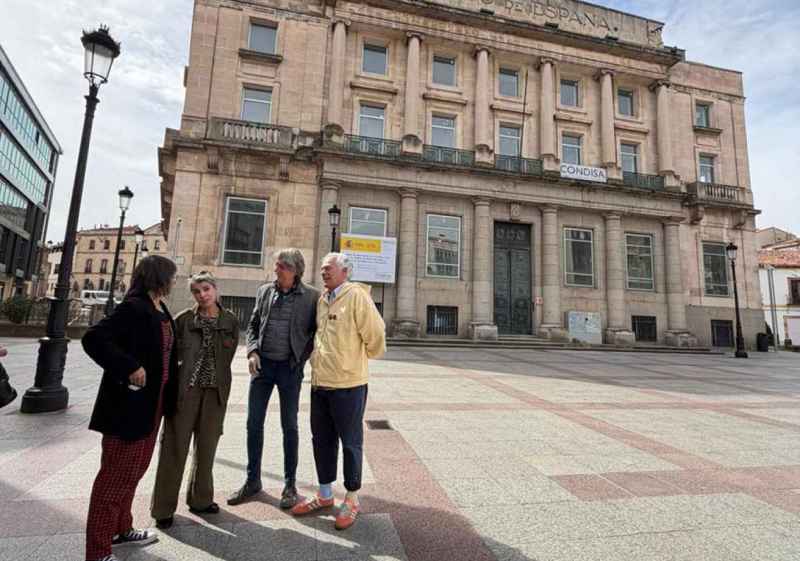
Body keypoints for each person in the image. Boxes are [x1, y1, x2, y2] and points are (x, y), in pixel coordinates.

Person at [81, 255, 179, 561]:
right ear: (159, 277)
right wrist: (129, 367)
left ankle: (122, 529)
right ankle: (98, 553)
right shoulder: (134, 306)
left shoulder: (158, 307)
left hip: (152, 404)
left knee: (133, 472)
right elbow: (93, 338)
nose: (174, 282)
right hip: (128, 406)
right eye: (171, 276)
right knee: (113, 480)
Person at [291, 252, 385, 531]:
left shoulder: (357, 296)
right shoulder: (323, 299)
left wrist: (355, 359)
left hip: (349, 384)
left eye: (328, 268)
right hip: (320, 383)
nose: (323, 272)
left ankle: (352, 499)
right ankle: (324, 494)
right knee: (322, 439)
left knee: (351, 442)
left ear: (345, 271)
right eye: (321, 268)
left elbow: (376, 334)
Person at [227, 249, 319, 509]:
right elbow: (254, 324)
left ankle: (290, 485)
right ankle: (252, 479)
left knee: (289, 425)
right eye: (277, 265)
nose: (276, 270)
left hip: (289, 369)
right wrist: (252, 351)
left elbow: (316, 332)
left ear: (295, 271)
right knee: (253, 423)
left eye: (282, 267)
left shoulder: (311, 297)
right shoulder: (265, 290)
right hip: (263, 368)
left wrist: (301, 357)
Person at [151, 272, 240, 529]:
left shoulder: (230, 321)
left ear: (215, 289)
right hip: (185, 393)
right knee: (174, 449)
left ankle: (201, 500)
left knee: (207, 449)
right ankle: (163, 509)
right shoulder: (183, 320)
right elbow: (169, 356)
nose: (202, 295)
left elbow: (229, 356)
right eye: (197, 291)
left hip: (215, 394)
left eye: (206, 289)